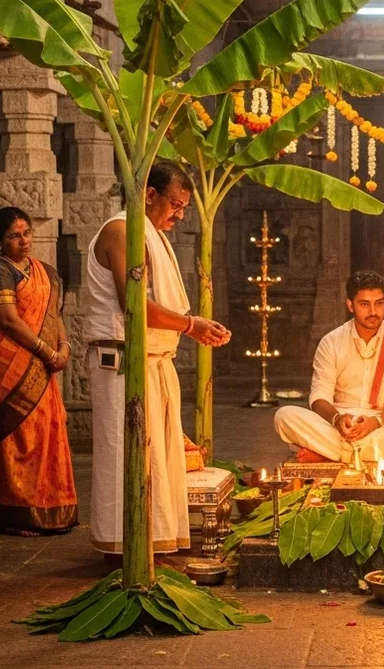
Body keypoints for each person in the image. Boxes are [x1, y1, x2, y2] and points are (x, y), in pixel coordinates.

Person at [84, 162, 230, 557]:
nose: (179, 215)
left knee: (157, 460)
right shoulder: (121, 230)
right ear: (149, 194)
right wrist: (190, 325)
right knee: (125, 454)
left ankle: (152, 543)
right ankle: (124, 551)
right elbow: (136, 304)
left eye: (183, 207)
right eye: (176, 205)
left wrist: (192, 325)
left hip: (152, 363)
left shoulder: (153, 235)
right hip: (123, 366)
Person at [0, 207, 78, 536]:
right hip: (6, 360)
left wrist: (64, 347)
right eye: (14, 236)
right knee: (13, 432)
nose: (24, 241)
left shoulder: (44, 271)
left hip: (42, 359)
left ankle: (47, 504)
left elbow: (54, 315)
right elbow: (7, 319)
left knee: (46, 428)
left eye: (27, 233)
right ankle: (12, 512)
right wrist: (46, 351)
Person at [274, 271, 384, 463]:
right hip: (341, 424)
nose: (373, 312)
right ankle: (360, 454)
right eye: (364, 304)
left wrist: (376, 422)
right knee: (284, 416)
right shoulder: (332, 342)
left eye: (379, 303)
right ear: (350, 305)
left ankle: (334, 453)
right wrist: (337, 420)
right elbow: (319, 398)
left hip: (383, 423)